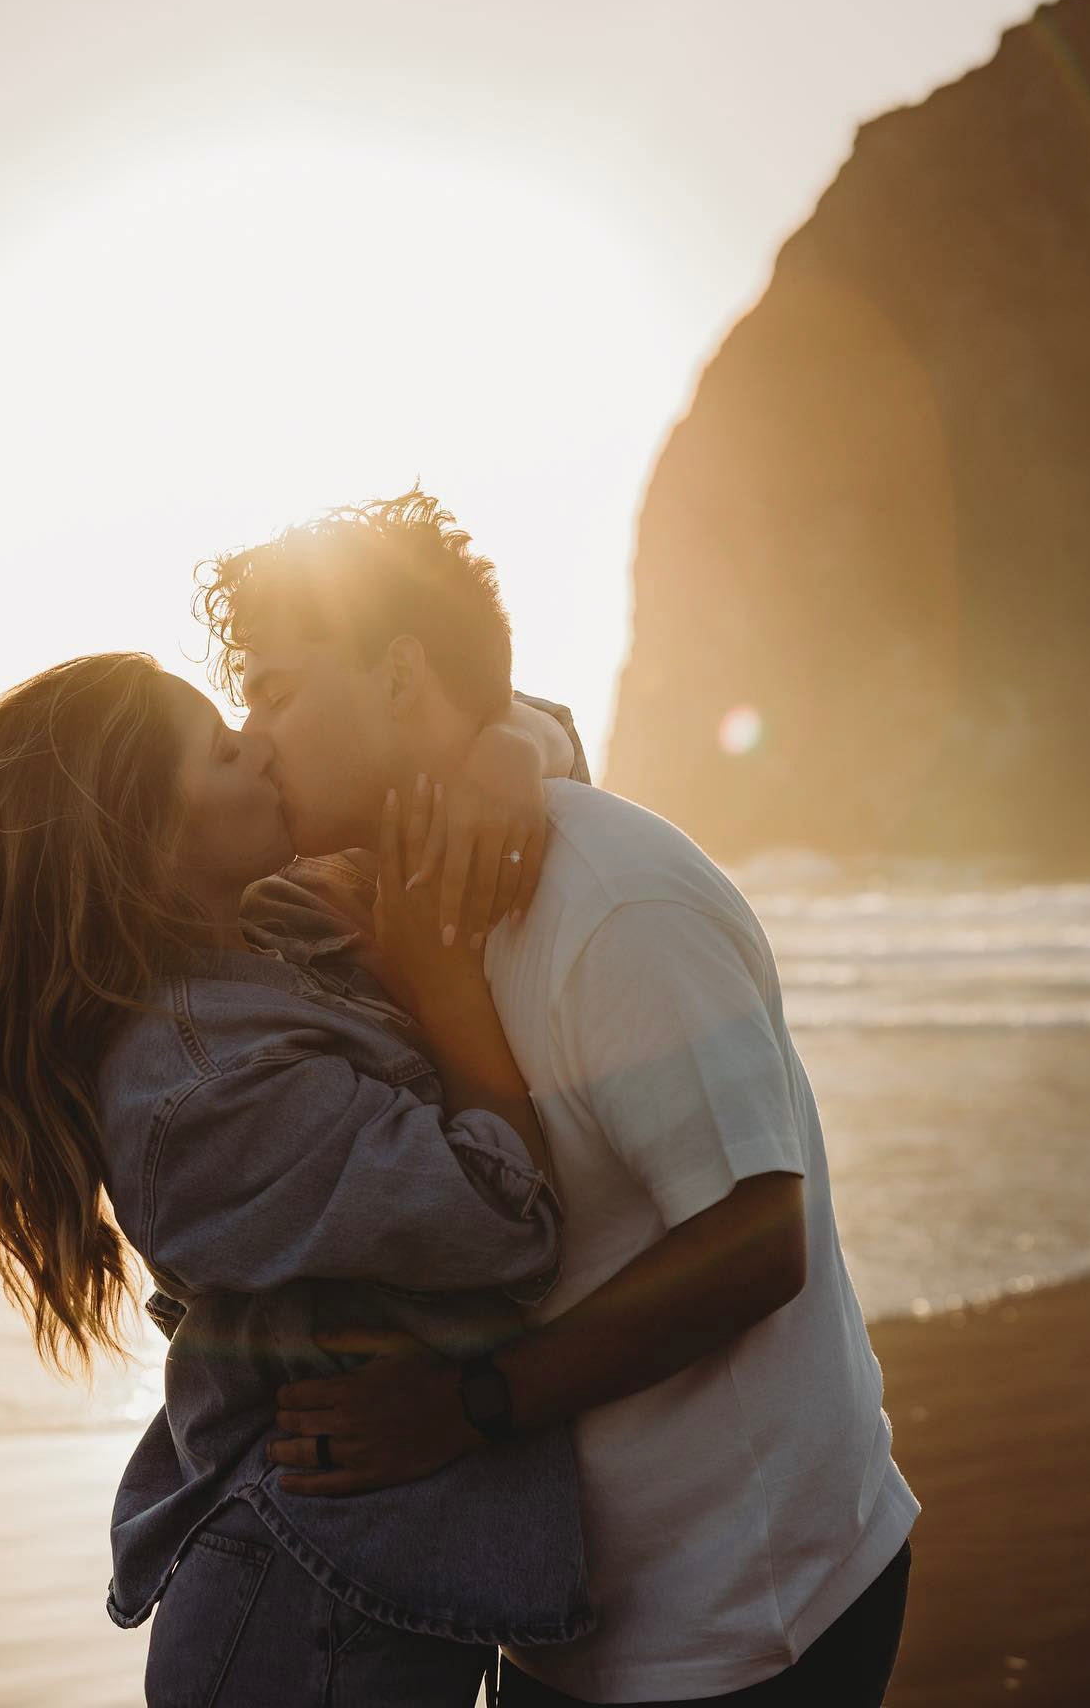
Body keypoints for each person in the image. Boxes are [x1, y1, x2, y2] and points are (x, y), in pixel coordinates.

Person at [196, 489, 921, 1705]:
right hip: (559, 1612)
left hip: (752, 1615)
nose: (252, 735)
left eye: (275, 689)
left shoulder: (618, 904)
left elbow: (756, 1239)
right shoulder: (367, 895)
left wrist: (460, 1408)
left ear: (396, 676)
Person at [0, 649, 596, 1707]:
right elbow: (506, 1219)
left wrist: (504, 750)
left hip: (363, 1580)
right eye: (221, 748)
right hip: (301, 1615)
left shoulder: (277, 927)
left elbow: (541, 742)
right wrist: (441, 988)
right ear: (151, 845)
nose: (259, 742)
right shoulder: (197, 1096)